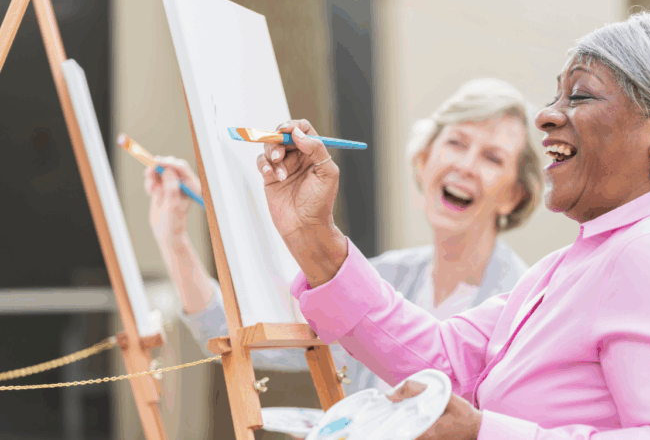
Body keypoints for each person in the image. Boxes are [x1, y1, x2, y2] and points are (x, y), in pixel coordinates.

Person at [256, 12, 650, 439]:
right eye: (556, 96)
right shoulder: (573, 264)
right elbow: (444, 362)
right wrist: (312, 235)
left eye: (580, 96)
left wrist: (483, 432)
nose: (545, 116)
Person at [145, 79, 544, 392]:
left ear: (514, 195)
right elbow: (242, 335)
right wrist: (174, 241)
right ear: (423, 161)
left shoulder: (524, 305)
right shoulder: (380, 278)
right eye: (456, 143)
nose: (466, 165)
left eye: (492, 157)